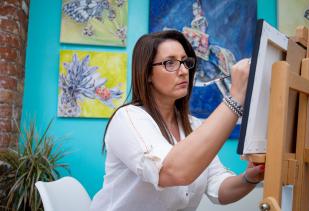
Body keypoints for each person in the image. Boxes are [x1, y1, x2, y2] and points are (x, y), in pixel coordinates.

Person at [90, 30, 264, 211]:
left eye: (185, 62)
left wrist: (249, 178)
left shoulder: (194, 126)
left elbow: (218, 186)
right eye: (170, 63)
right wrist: (235, 98)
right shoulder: (127, 119)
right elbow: (171, 171)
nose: (183, 71)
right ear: (147, 74)